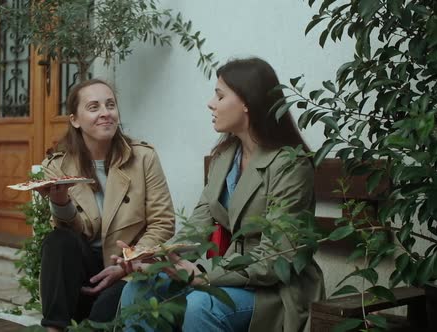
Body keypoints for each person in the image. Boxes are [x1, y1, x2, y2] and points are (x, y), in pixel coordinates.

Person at [119, 57, 325, 332]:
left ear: (247, 103)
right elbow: (196, 228)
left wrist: (204, 275)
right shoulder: (225, 157)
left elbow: (277, 256)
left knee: (203, 305)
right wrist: (154, 258)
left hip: (275, 288)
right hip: (228, 276)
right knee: (140, 290)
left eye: (219, 95)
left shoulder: (290, 164)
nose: (210, 103)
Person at [37, 78, 175, 331]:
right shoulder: (57, 166)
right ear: (75, 120)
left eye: (110, 105)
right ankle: (53, 329)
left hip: (129, 265)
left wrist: (126, 263)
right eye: (94, 107)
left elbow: (163, 222)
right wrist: (60, 203)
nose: (105, 113)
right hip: (86, 270)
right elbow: (71, 234)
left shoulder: (143, 157)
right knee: (58, 241)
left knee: (100, 318)